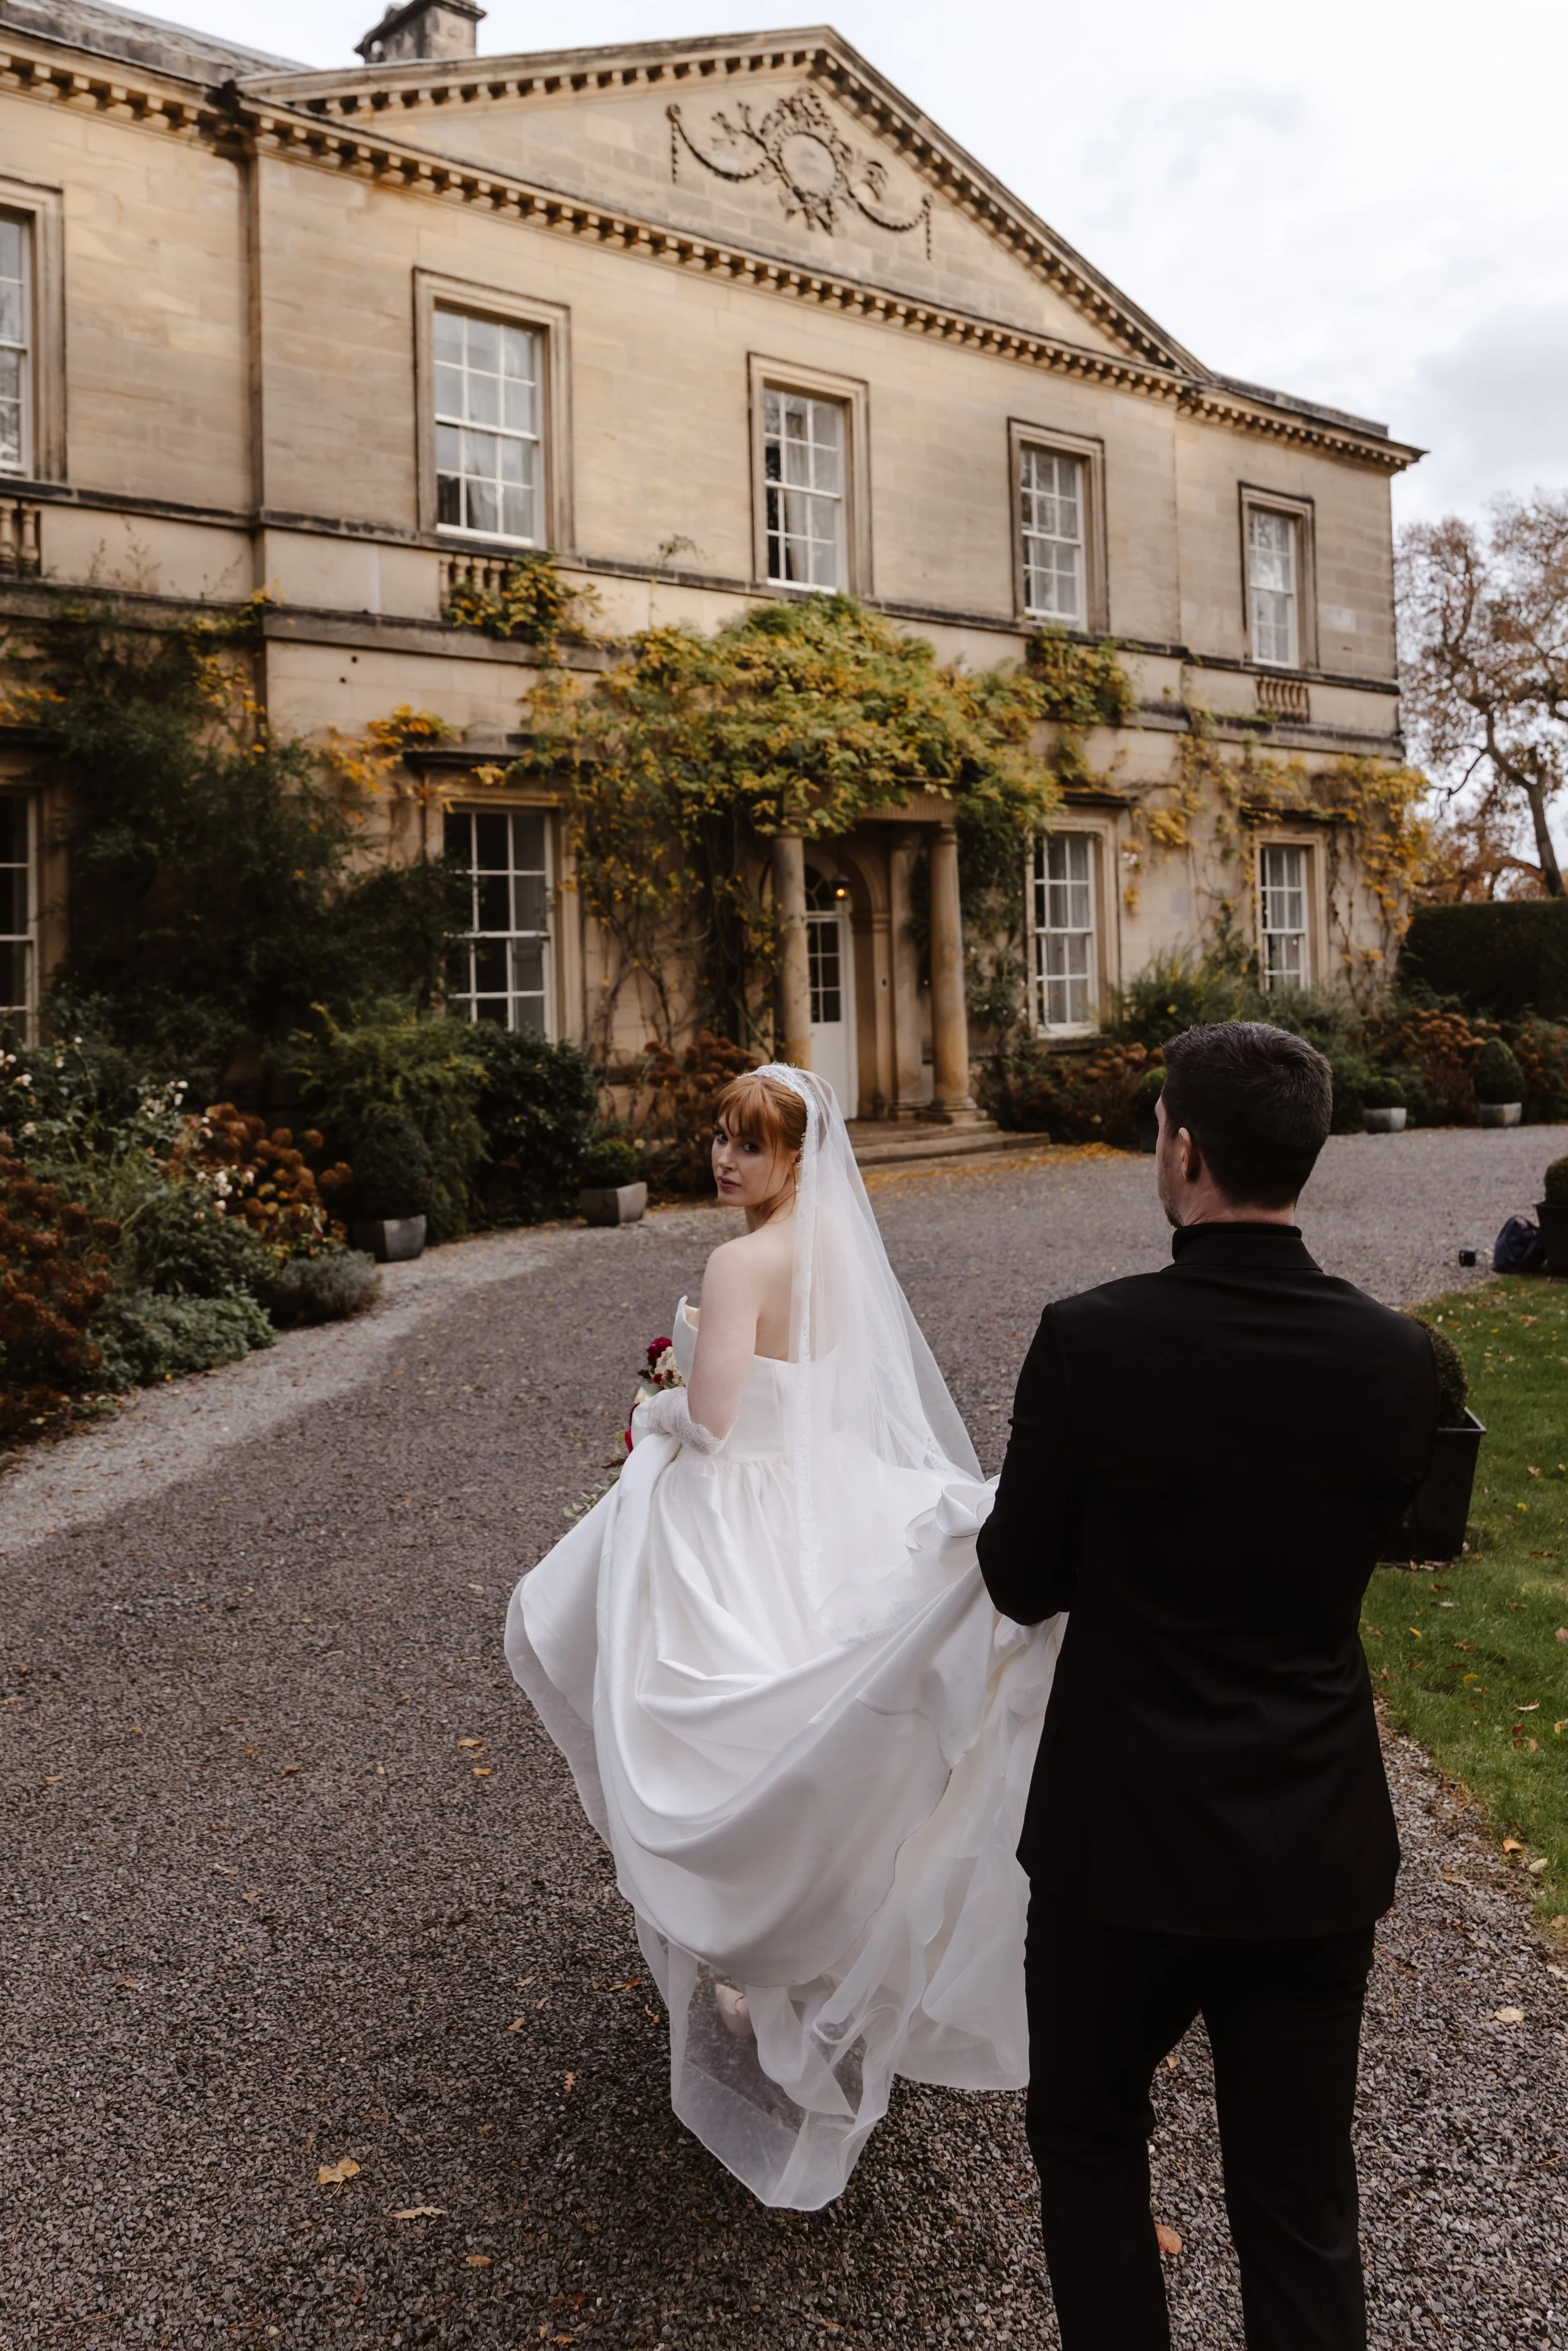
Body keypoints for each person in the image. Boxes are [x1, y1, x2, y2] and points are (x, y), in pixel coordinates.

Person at [505, 1063, 1060, 2210]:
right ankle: (819, 1943)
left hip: (744, 1505)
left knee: (716, 1727)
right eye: (719, 1138)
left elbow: (712, 1421)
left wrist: (653, 1408)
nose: (723, 1160)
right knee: (820, 1716)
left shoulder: (738, 1260)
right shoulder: (841, 1253)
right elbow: (830, 1392)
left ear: (799, 1157)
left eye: (748, 1146)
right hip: (829, 1497)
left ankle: (752, 1934)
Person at [978, 1022, 1439, 2351]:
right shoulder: (1396, 1356)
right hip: (1309, 1839)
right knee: (1297, 2196)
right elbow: (1390, 1532)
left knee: (1084, 2136)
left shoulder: (1089, 1340)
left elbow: (1016, 1576)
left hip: (1119, 1836)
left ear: (1178, 1147)